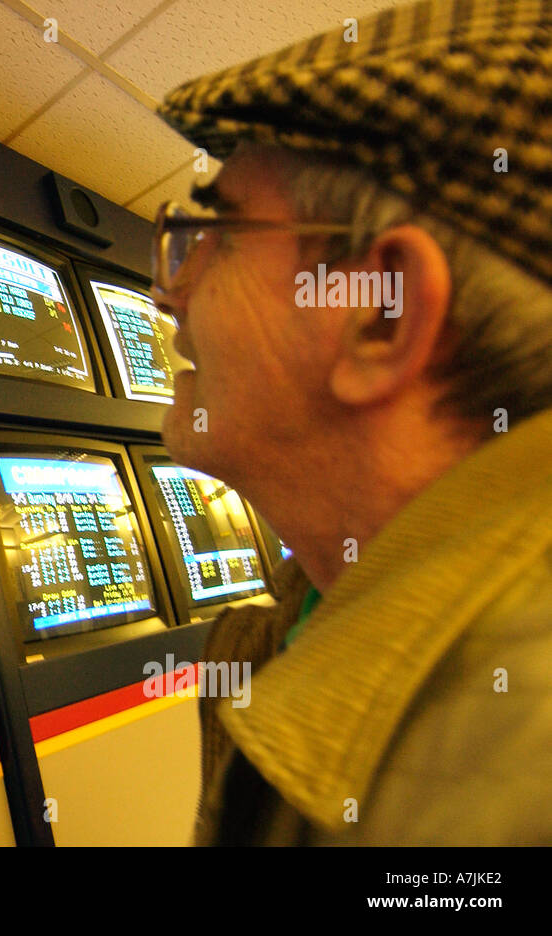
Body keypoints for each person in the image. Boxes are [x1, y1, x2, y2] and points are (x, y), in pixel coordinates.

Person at [152, 0, 552, 845]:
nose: (167, 289)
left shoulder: (499, 785)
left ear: (380, 315)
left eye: (215, 233)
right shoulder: (307, 620)